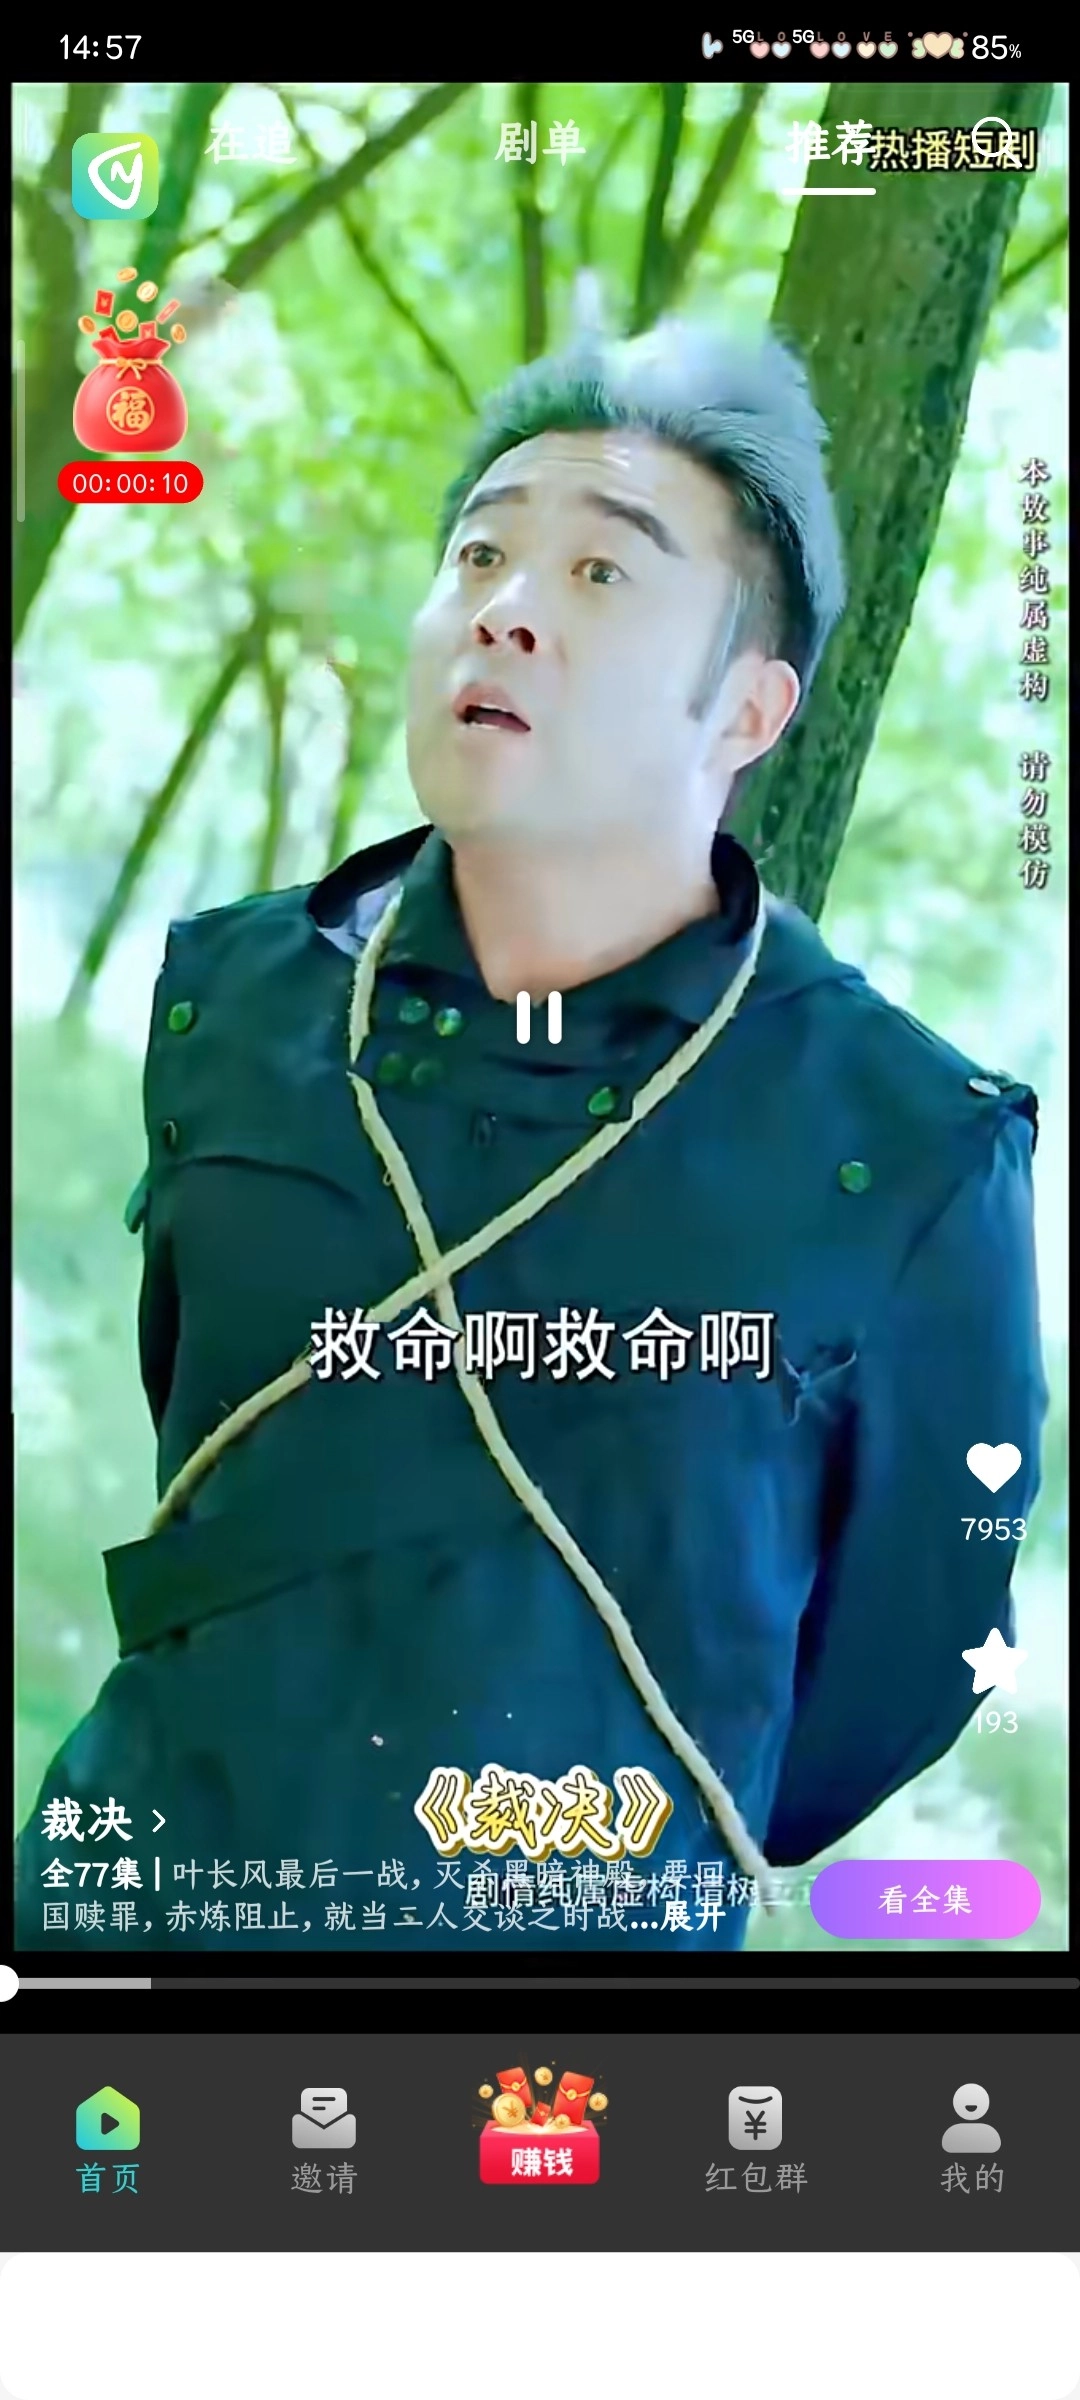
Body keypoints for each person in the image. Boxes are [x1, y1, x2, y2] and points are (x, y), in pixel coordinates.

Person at [16, 319, 1047, 1953]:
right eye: (482, 554)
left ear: (750, 710)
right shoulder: (237, 995)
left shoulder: (909, 1154)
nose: (504, 605)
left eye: (601, 572)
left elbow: (899, 1668)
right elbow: (204, 1428)